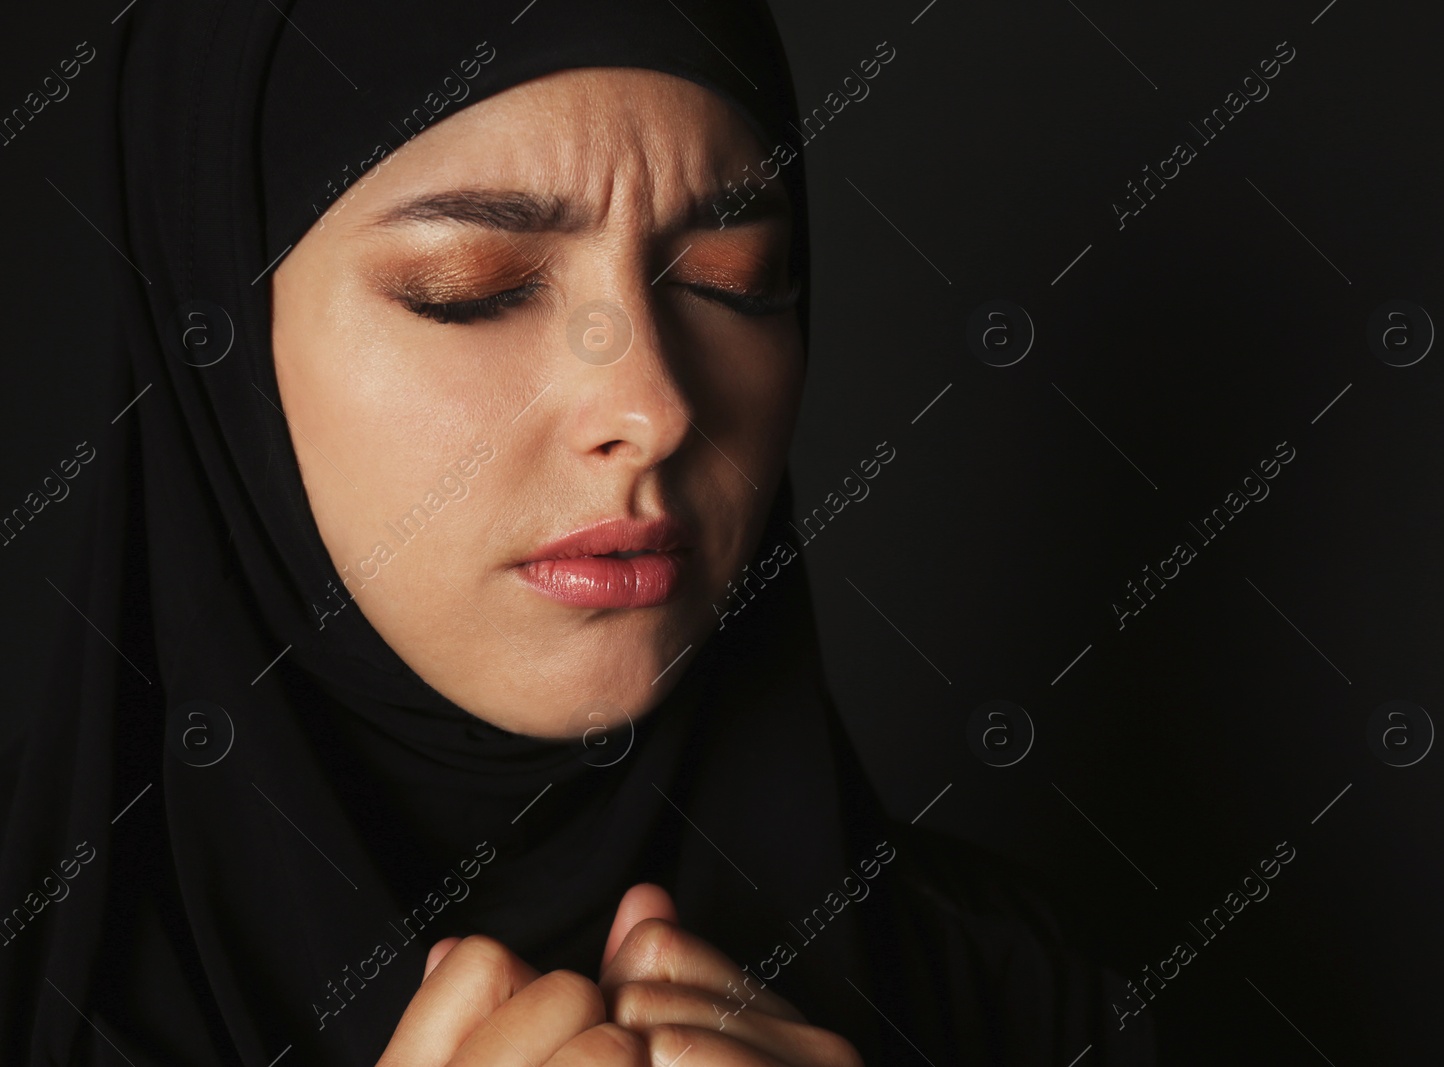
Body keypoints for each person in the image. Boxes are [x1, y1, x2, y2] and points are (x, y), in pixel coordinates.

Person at [0, 1, 1159, 1063]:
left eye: (730, 278)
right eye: (474, 287)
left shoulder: (1033, 1002)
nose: (653, 408)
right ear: (218, 344)